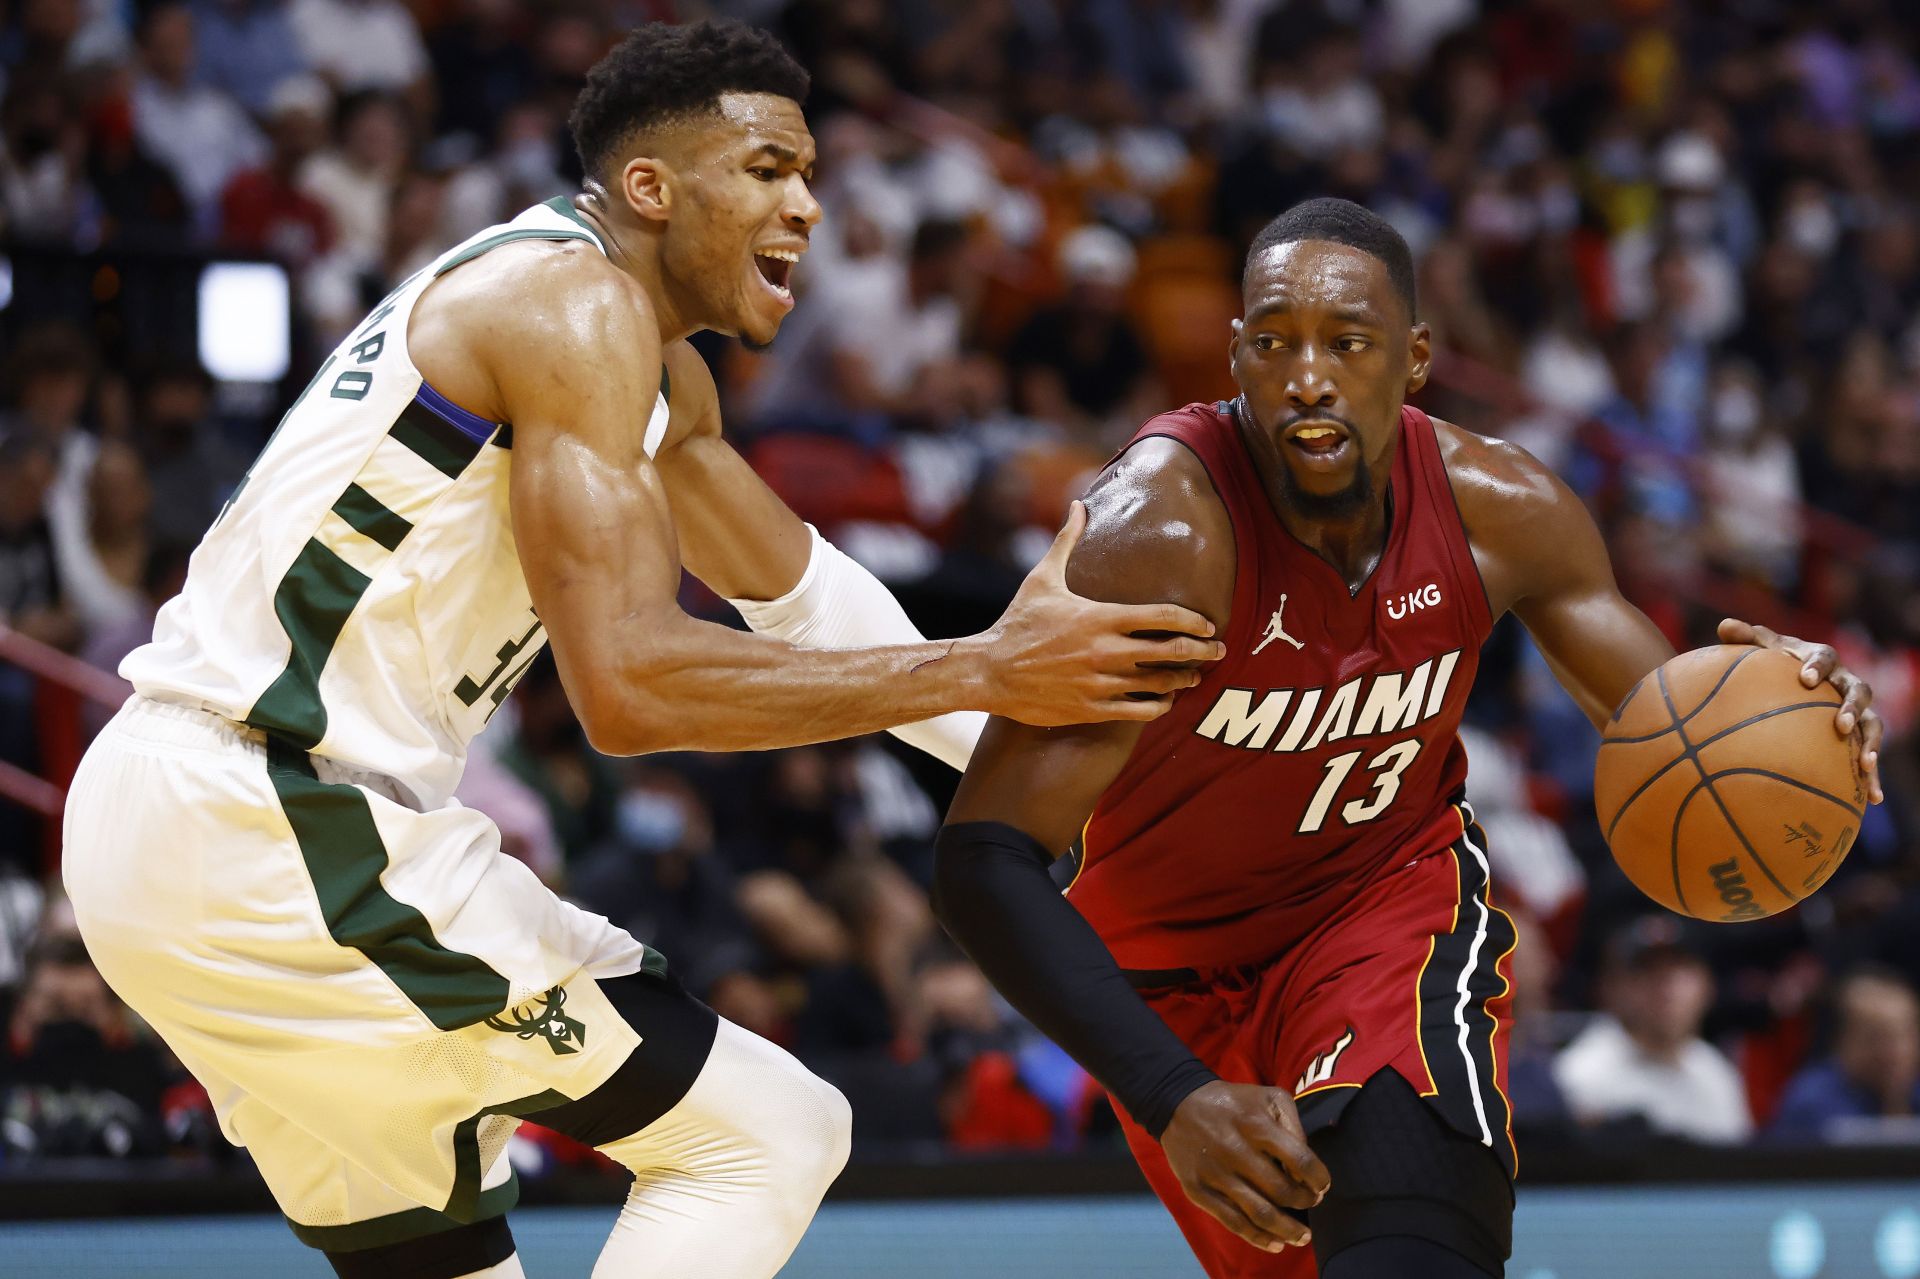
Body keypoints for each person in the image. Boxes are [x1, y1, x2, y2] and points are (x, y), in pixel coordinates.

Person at [61, 21, 1220, 1279]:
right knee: (768, 1135)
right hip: (272, 815)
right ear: (654, 189)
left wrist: (1116, 790)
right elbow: (628, 683)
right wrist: (986, 671)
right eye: (771, 170)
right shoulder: (573, 306)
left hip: (202, 824)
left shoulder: (649, 365)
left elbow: (809, 602)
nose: (811, 207)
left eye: (813, 174)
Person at [931, 197, 1883, 1279]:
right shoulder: (1161, 537)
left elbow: (1676, 730)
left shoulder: (1501, 509)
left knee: (1412, 1246)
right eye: (1274, 342)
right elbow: (984, 858)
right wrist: (1172, 1090)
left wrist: (1791, 706)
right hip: (1167, 977)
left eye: (1348, 342)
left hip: (1385, 912)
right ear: (1235, 357)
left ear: (1416, 358)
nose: (1308, 375)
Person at [1551, 917, 1752, 1144]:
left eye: (1679, 969)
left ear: (1708, 985)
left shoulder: (1717, 1073)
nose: (1666, 988)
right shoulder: (1581, 1073)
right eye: (1647, 971)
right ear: (1610, 987)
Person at [1769, 966, 1920, 1141]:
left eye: (1905, 1035)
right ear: (1843, 1040)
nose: (1896, 1051)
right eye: (1877, 1038)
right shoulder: (1811, 1105)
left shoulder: (1913, 1093)